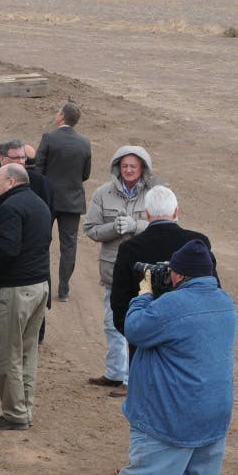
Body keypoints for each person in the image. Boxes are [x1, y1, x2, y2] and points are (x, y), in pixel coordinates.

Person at [96, 240, 236, 475]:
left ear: (178, 275)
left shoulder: (172, 307)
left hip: (170, 412)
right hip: (214, 412)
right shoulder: (225, 302)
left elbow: (135, 329)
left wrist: (145, 293)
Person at [0, 140, 55, 397]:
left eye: (23, 159)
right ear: (0, 158)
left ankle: (20, 385)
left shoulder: (40, 184)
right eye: (14, 158)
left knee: (29, 329)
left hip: (28, 268)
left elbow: (46, 224)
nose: (20, 163)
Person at [83, 146, 160, 397]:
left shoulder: (155, 194)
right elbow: (91, 229)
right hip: (113, 272)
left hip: (144, 274)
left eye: (133, 166)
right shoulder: (102, 194)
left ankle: (132, 379)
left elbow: (166, 225)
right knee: (112, 323)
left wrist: (136, 225)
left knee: (137, 327)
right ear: (117, 167)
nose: (128, 170)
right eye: (124, 166)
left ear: (143, 169)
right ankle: (115, 373)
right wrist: (113, 229)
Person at [0, 163, 51, 431]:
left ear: (11, 182)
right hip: (39, 288)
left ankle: (14, 414)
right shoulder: (40, 205)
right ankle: (25, 408)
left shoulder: (10, 208)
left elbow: (7, 248)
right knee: (27, 352)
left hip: (15, 291)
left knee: (7, 354)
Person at [109, 186, 216, 338]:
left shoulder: (129, 248)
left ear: (147, 214)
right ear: (176, 212)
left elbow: (119, 304)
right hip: (191, 339)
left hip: (145, 342)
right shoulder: (198, 244)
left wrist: (136, 336)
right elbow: (213, 292)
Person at [35, 101, 92, 302]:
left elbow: (39, 169)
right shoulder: (85, 142)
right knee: (69, 246)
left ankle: (43, 286)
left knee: (42, 241)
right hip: (73, 201)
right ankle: (64, 289)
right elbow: (85, 173)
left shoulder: (49, 138)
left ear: (61, 117)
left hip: (48, 200)